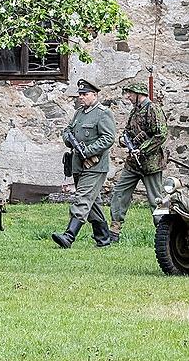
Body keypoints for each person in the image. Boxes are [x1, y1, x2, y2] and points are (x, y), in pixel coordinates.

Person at [52, 79, 116, 249]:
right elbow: (68, 131)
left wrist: (87, 151)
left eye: (85, 94)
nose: (81, 97)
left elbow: (108, 138)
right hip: (78, 165)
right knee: (92, 203)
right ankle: (103, 240)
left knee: (82, 198)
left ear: (94, 95)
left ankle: (68, 236)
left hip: (94, 166)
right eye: (80, 94)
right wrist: (69, 139)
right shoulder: (79, 113)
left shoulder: (103, 113)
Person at [108, 81, 168, 242]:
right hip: (133, 163)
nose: (127, 96)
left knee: (157, 200)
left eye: (129, 93)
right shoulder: (135, 110)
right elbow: (128, 131)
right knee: (119, 193)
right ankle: (113, 231)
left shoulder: (152, 109)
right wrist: (123, 140)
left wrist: (142, 149)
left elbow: (161, 134)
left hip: (151, 164)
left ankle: (165, 235)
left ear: (138, 93)